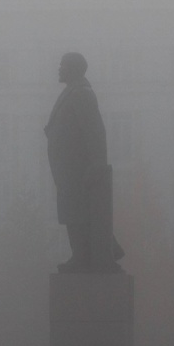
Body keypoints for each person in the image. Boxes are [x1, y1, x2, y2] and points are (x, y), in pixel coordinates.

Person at [44, 52, 124, 273]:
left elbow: (95, 130)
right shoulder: (72, 92)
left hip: (77, 169)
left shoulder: (81, 93)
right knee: (73, 211)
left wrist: (97, 162)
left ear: (74, 68)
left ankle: (83, 255)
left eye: (62, 65)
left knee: (78, 212)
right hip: (68, 168)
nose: (59, 68)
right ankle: (89, 252)